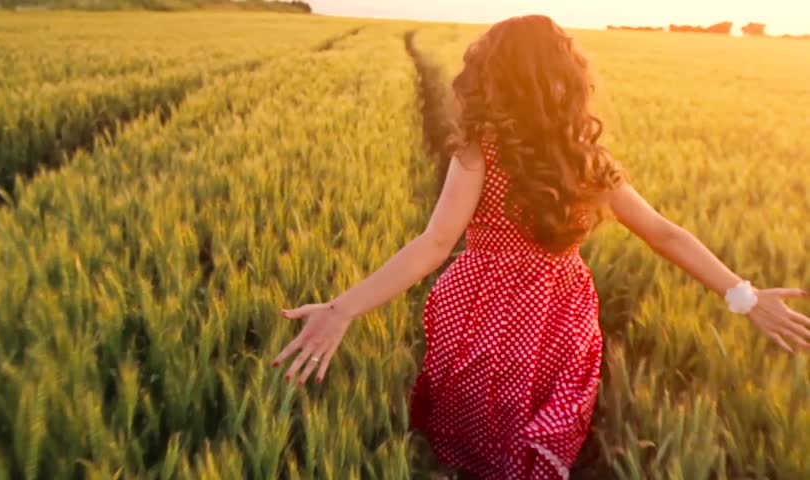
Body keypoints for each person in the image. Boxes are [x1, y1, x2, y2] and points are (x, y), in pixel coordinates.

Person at [271, 14, 810, 480]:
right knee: (538, 428)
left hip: (477, 305)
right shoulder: (588, 162)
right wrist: (743, 295)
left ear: (489, 79)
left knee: (477, 420)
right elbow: (663, 232)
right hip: (557, 312)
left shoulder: (480, 153)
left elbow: (435, 243)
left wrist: (345, 308)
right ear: (569, 81)